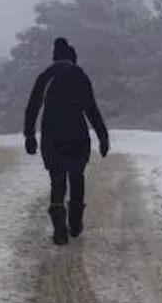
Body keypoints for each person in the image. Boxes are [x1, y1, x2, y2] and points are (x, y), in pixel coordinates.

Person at [23, 37, 110, 246]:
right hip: (78, 136)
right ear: (73, 58)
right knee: (77, 176)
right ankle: (75, 221)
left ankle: (59, 228)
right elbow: (91, 108)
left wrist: (29, 135)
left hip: (52, 137)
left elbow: (33, 107)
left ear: (55, 57)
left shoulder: (46, 76)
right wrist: (102, 136)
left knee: (57, 179)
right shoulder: (80, 75)